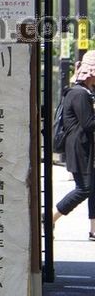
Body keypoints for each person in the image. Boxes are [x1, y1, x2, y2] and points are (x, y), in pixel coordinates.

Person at [53, 51, 95, 239]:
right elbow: (88, 123)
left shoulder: (81, 92)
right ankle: (49, 218)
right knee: (84, 188)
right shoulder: (80, 94)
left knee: (90, 187)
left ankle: (93, 229)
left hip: (82, 147)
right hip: (80, 149)